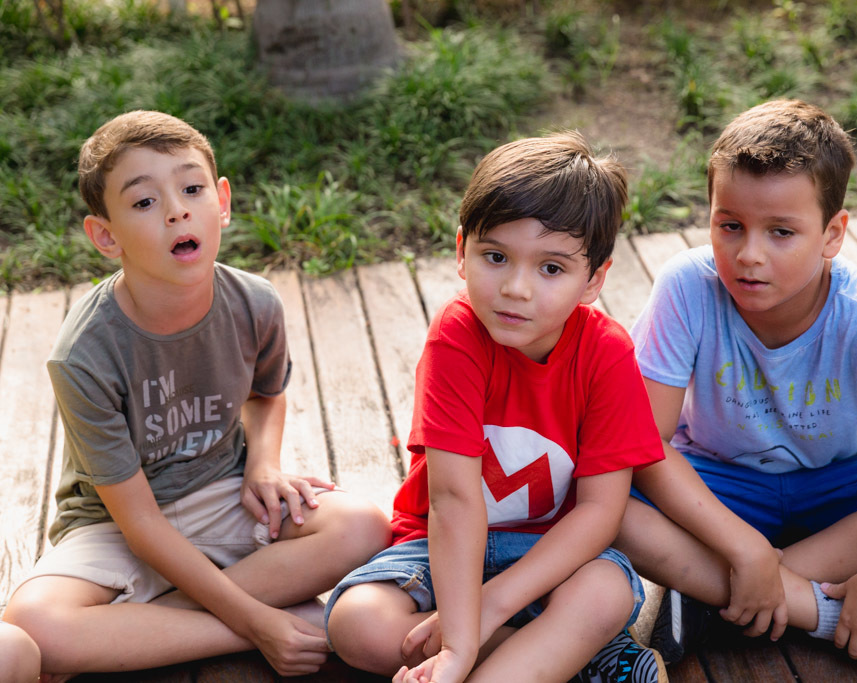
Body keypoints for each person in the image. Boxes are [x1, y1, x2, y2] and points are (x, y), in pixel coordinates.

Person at [616, 99, 857, 664]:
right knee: (605, 496)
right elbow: (644, 443)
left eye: (781, 232)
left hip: (840, 485)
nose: (748, 255)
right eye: (729, 226)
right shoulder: (688, 287)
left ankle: (715, 595)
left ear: (832, 235)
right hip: (718, 483)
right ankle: (824, 613)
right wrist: (745, 549)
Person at [2, 110, 391, 680]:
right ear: (105, 235)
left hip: (223, 491)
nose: (177, 210)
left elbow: (266, 393)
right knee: (34, 627)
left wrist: (262, 465)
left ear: (222, 201)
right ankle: (236, 625)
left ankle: (141, 631)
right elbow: (140, 525)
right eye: (143, 202)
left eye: (191, 188)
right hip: (117, 523)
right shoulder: (84, 354)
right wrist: (259, 622)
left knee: (363, 525)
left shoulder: (254, 302)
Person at [324, 132, 668, 683]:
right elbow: (454, 500)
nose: (516, 288)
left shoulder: (606, 352)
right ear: (462, 251)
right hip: (441, 550)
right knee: (357, 625)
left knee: (603, 594)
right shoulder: (457, 337)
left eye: (551, 268)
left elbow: (601, 512)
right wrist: (460, 635)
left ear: (594, 280)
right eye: (495, 256)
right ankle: (571, 662)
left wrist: (487, 613)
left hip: (552, 552)